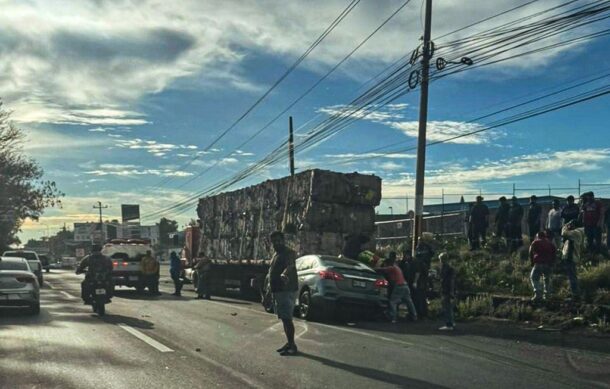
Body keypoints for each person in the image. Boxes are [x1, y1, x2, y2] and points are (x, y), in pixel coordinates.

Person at [268, 231, 298, 356]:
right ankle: (289, 343)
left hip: (286, 289)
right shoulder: (276, 254)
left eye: (279, 240)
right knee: (285, 319)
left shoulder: (288, 252)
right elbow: (271, 271)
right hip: (278, 290)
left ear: (283, 240)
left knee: (287, 318)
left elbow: (290, 265)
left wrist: (284, 274)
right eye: (274, 241)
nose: (277, 243)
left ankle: (292, 345)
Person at [376, 252, 417, 323]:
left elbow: (381, 269)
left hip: (399, 286)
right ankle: (414, 316)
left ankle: (393, 317)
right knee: (409, 301)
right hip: (405, 286)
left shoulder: (391, 268)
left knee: (393, 302)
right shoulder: (397, 268)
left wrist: (376, 266)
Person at [529, 232, 555, 301]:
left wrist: (532, 262)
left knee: (534, 277)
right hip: (548, 264)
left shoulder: (535, 242)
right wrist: (552, 263)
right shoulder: (550, 243)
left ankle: (538, 293)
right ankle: (547, 296)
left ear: (537, 236)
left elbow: (530, 252)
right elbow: (554, 253)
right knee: (547, 279)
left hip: (539, 263)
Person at [561, 220, 585, 300]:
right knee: (573, 276)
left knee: (572, 277)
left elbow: (563, 233)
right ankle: (576, 294)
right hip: (573, 257)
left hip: (570, 257)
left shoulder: (574, 233)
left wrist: (566, 225)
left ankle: (575, 295)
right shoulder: (579, 232)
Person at [413, 235, 434, 318]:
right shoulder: (418, 248)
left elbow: (431, 253)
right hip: (422, 270)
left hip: (424, 269)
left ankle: (423, 313)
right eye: (419, 240)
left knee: (422, 296)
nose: (420, 241)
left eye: (421, 240)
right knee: (420, 296)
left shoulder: (427, 247)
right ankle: (421, 312)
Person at [438, 252, 456, 331]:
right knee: (448, 307)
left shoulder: (447, 268)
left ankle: (449, 324)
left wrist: (451, 291)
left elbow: (450, 281)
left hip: (447, 290)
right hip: (445, 289)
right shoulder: (446, 267)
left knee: (446, 307)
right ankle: (451, 322)